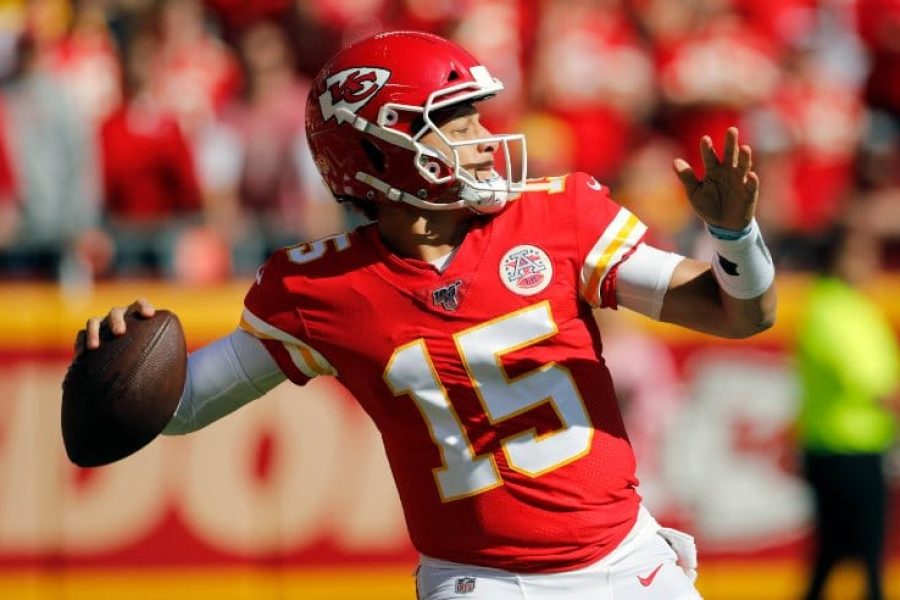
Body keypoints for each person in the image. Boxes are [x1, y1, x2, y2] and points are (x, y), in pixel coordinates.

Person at [76, 31, 776, 600]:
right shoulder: (321, 287)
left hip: (629, 566)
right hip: (483, 584)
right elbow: (185, 403)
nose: (482, 135)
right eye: (455, 119)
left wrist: (734, 235)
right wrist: (110, 362)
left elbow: (739, 314)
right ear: (380, 146)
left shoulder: (557, 215)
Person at [795, 223, 899, 600]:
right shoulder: (834, 311)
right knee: (866, 554)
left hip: (848, 444)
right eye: (861, 253)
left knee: (835, 552)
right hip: (845, 447)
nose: (871, 262)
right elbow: (876, 387)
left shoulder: (848, 306)